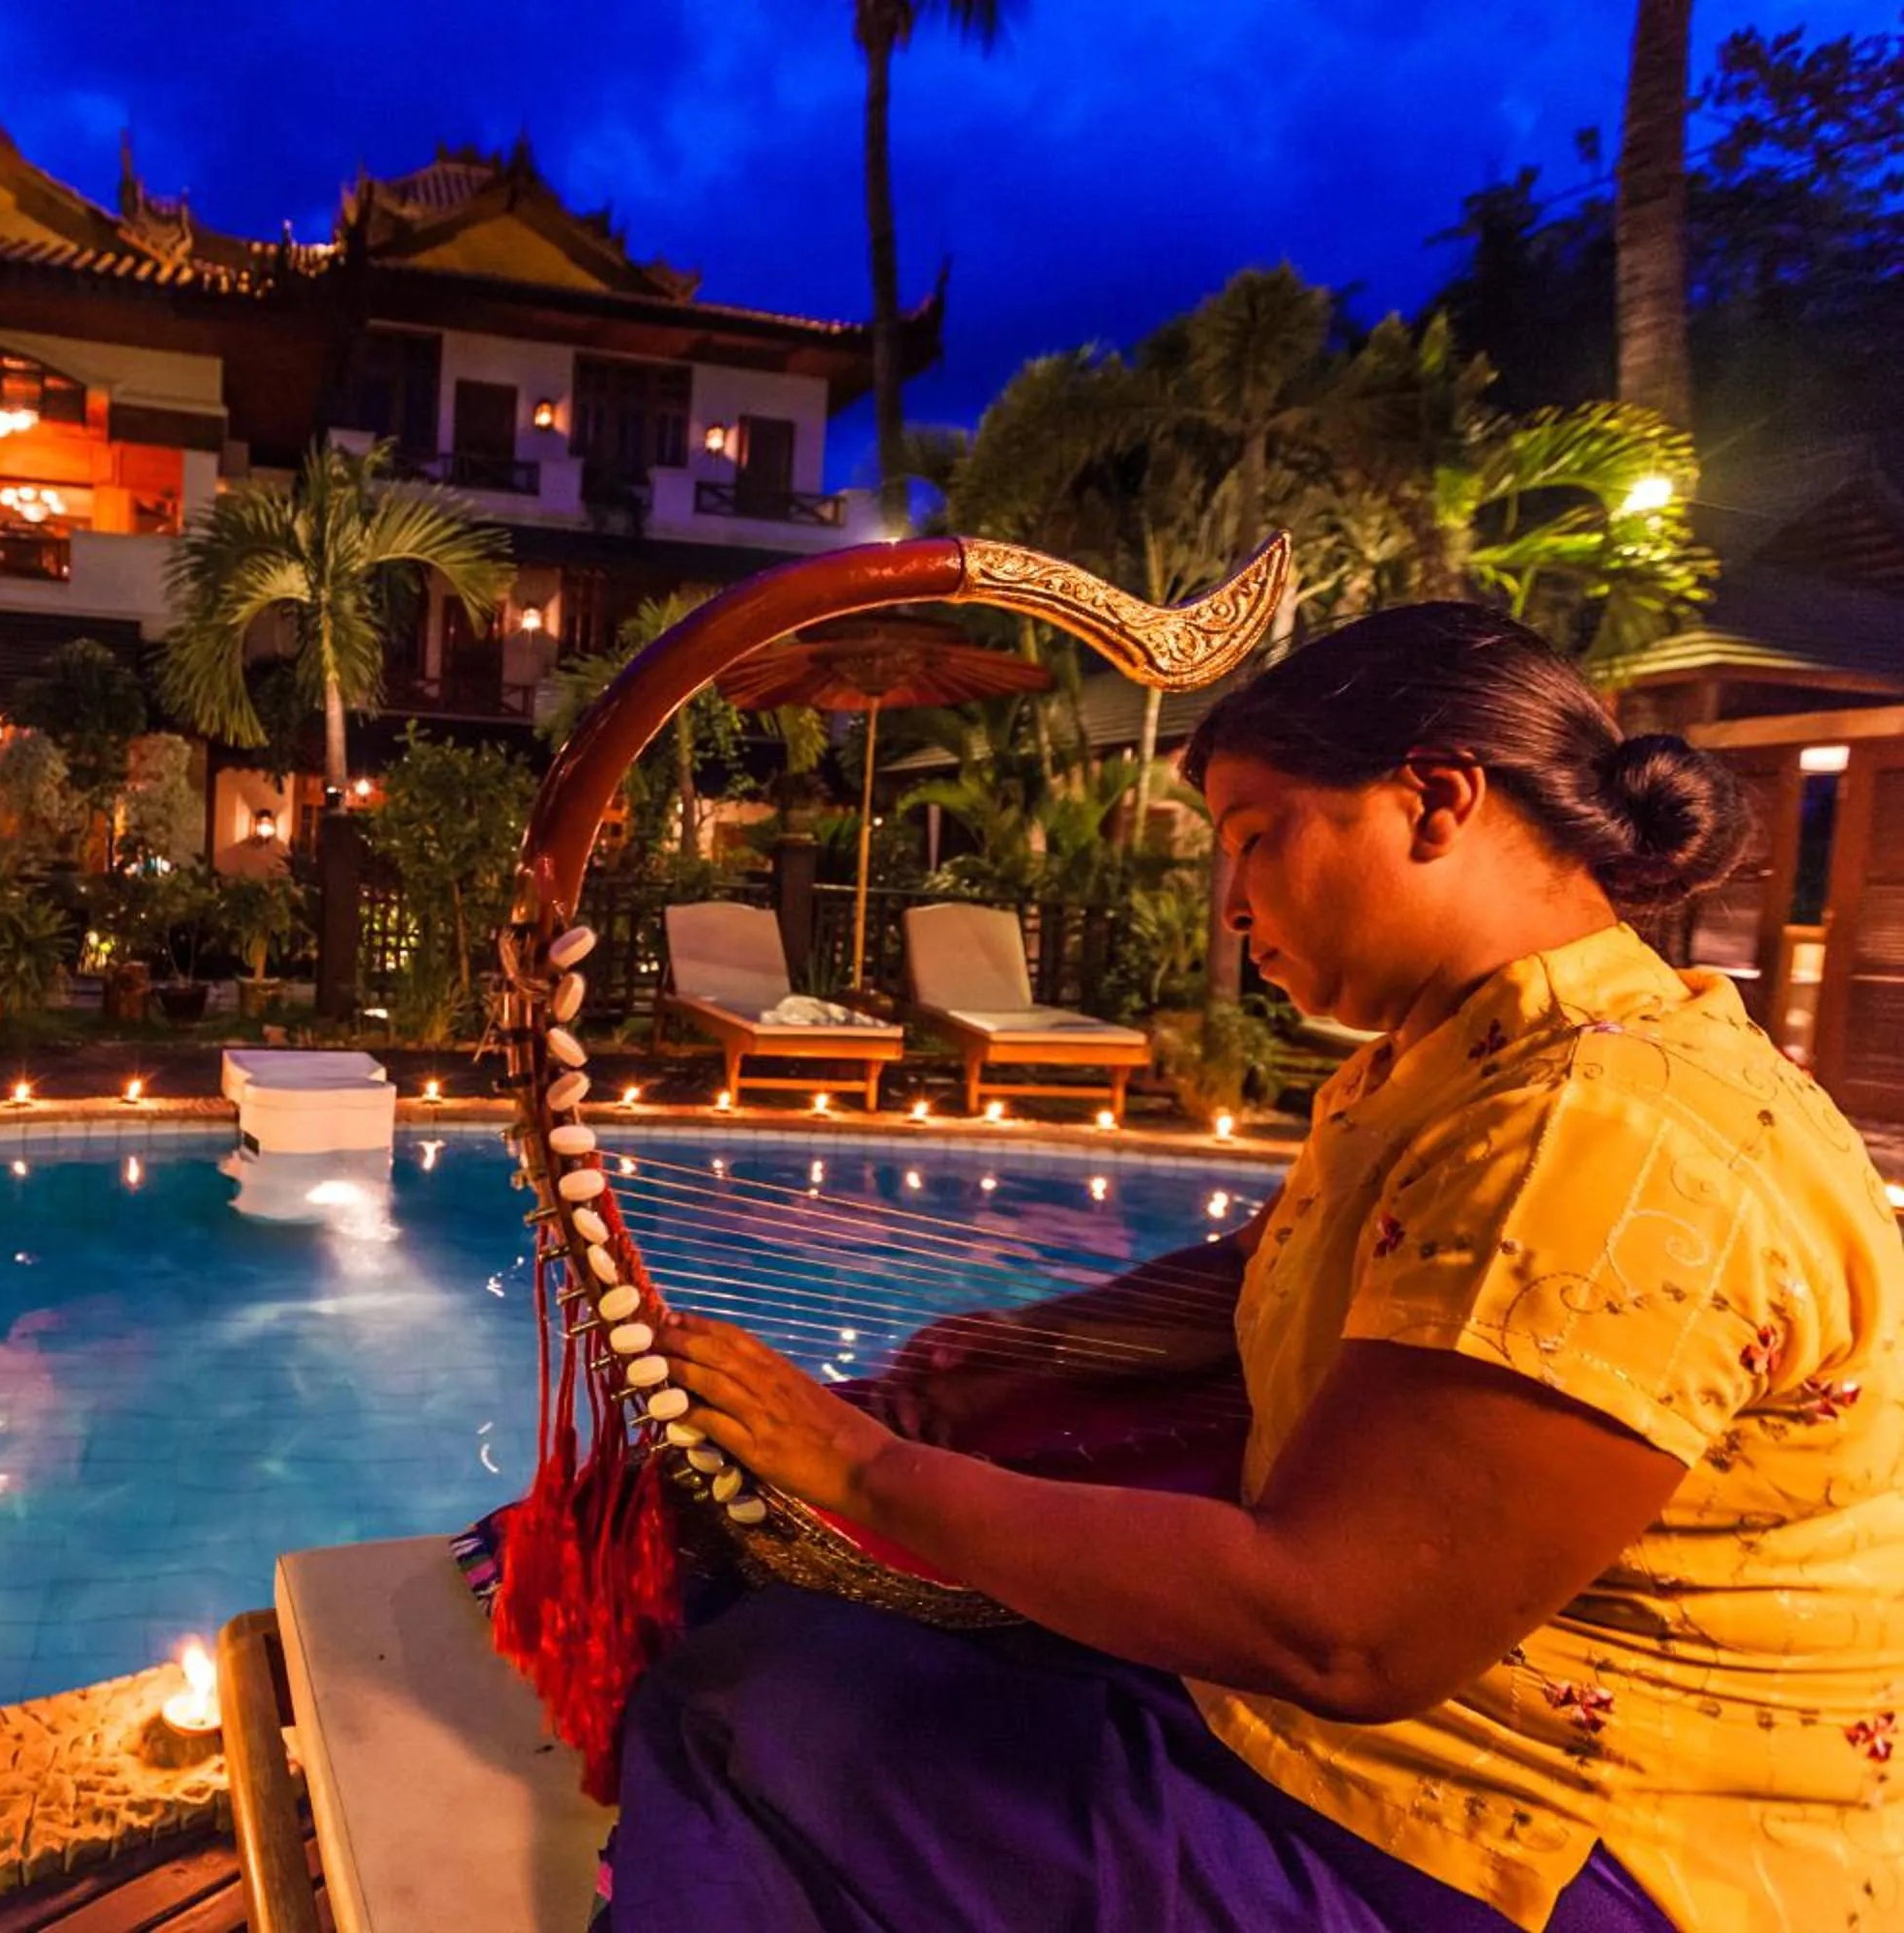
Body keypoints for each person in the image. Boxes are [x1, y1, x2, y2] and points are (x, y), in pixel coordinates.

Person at [622, 604, 1903, 1932]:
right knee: (829, 1611)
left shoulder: (1602, 1128)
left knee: (761, 1711)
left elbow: (1338, 1628)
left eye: (1255, 838)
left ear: (1437, 800)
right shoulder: (1451, 1069)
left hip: (1575, 1838)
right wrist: (984, 1364)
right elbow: (1257, 1277)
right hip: (1434, 1755)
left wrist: (862, 1466)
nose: (1230, 907)